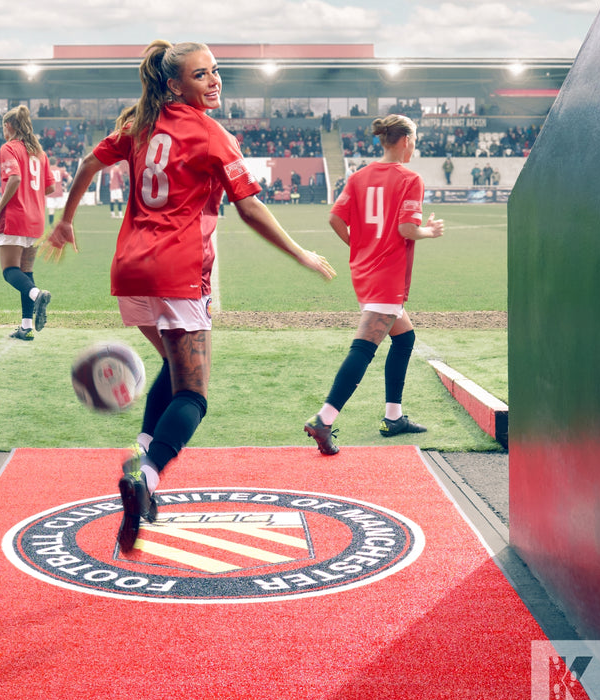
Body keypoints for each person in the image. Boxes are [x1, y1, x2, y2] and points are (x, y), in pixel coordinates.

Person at [45, 40, 335, 550]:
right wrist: (301, 254)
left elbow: (89, 165)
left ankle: (139, 455)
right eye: (202, 75)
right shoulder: (211, 133)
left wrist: (65, 220)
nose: (215, 81)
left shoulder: (139, 123)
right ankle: (148, 477)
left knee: (171, 369)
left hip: (130, 272)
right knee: (194, 395)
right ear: (175, 84)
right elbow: (249, 210)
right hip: (177, 273)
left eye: (216, 72)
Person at [304, 114, 444, 456]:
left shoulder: (359, 176)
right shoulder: (410, 178)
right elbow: (407, 230)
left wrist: (360, 247)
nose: (415, 146)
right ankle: (324, 418)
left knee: (404, 337)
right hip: (387, 274)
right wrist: (431, 231)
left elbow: (335, 218)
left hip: (365, 270)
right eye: (415, 139)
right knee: (364, 348)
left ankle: (393, 417)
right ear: (406, 140)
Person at [0, 105, 56, 341]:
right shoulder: (39, 152)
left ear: (8, 126)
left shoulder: (8, 148)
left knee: (9, 272)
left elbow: (14, 178)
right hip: (36, 219)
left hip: (16, 216)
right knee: (26, 272)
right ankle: (26, 326)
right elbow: (50, 187)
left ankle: (37, 294)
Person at [47, 161, 72, 226]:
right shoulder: (61, 170)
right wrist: (65, 186)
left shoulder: (47, 170)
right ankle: (62, 223)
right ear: (56, 163)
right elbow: (70, 179)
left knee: (51, 209)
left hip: (50, 192)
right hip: (59, 192)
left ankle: (51, 225)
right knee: (61, 209)